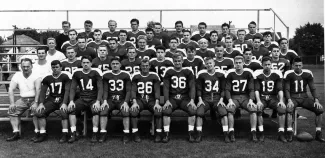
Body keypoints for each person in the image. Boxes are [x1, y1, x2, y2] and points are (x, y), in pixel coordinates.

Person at [284, 57, 325, 142]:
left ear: (302, 65)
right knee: (289, 109)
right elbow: (286, 89)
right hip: (293, 97)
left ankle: (318, 133)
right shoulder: (288, 74)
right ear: (292, 65)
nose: (298, 67)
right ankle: (289, 132)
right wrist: (289, 100)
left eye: (299, 65)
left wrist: (316, 100)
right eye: (296, 65)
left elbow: (312, 88)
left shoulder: (308, 73)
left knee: (320, 110)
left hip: (304, 97)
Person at [67, 56, 103, 143]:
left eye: (87, 62)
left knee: (95, 110)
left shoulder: (96, 72)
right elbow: (72, 88)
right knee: (72, 109)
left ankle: (94, 133)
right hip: (82, 98)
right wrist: (71, 101)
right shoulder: (77, 73)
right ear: (81, 63)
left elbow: (100, 88)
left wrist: (98, 101)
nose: (85, 64)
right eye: (84, 62)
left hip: (93, 98)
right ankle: (73, 133)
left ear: (91, 63)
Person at [34, 60, 72, 143]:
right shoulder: (47, 77)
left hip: (62, 98)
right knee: (40, 112)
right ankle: (43, 133)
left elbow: (67, 91)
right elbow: (43, 91)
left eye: (57, 67)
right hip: (52, 99)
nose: (55, 69)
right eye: (53, 67)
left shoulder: (65, 76)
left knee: (64, 111)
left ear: (61, 67)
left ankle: (65, 133)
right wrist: (40, 103)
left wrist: (65, 103)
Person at [162, 53, 196, 143]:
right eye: (175, 61)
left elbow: (192, 86)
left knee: (192, 110)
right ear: (173, 62)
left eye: (179, 61)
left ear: (182, 61)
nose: (177, 62)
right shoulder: (169, 71)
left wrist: (192, 100)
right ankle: (166, 134)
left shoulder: (188, 71)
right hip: (172, 98)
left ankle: (191, 133)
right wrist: (166, 101)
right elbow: (165, 87)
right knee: (166, 111)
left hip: (185, 98)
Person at [6, 58, 42, 141]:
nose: (25, 68)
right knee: (12, 110)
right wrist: (12, 103)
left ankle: (37, 132)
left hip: (34, 99)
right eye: (23, 66)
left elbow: (38, 89)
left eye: (28, 66)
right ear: (20, 66)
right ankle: (16, 133)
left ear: (31, 66)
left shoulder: (36, 75)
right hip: (23, 99)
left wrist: (36, 102)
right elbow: (11, 89)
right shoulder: (17, 75)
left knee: (36, 111)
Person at [254, 57, 286, 142]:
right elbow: (256, 90)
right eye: (265, 65)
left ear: (271, 64)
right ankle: (261, 132)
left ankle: (281, 133)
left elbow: (280, 89)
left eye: (269, 64)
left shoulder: (276, 75)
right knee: (259, 109)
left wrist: (281, 101)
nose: (267, 66)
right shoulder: (258, 75)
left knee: (282, 109)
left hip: (273, 98)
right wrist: (258, 101)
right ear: (262, 65)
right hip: (262, 97)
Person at [225, 56, 257, 142]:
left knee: (253, 109)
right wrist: (230, 100)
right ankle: (231, 131)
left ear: (243, 63)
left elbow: (251, 89)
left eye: (240, 63)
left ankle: (253, 131)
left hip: (245, 97)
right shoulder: (230, 74)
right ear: (234, 64)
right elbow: (227, 89)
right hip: (234, 97)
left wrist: (251, 100)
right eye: (236, 63)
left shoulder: (248, 73)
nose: (238, 64)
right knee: (230, 109)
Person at [100, 57, 132, 143]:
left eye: (117, 64)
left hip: (122, 99)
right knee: (103, 110)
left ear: (120, 65)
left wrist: (126, 102)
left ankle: (126, 134)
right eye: (113, 64)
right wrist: (105, 101)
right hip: (110, 99)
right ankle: (103, 133)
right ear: (110, 65)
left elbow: (128, 90)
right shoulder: (106, 75)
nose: (115, 65)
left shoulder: (125, 74)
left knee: (125, 112)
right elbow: (105, 90)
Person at [196, 57, 228, 142]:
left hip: (217, 99)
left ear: (214, 63)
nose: (209, 65)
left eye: (210, 63)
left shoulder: (220, 74)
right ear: (205, 65)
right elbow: (199, 88)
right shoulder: (202, 74)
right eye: (207, 63)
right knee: (199, 113)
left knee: (224, 113)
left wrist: (221, 99)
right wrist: (200, 99)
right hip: (205, 99)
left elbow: (223, 89)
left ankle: (226, 133)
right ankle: (199, 134)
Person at [130, 59, 162, 142]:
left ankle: (158, 133)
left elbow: (157, 90)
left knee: (158, 111)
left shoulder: (154, 75)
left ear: (149, 66)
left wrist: (157, 102)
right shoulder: (136, 75)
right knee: (133, 111)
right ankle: (135, 133)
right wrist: (134, 102)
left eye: (146, 66)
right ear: (140, 66)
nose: (145, 67)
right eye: (143, 66)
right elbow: (133, 90)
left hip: (151, 100)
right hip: (139, 99)